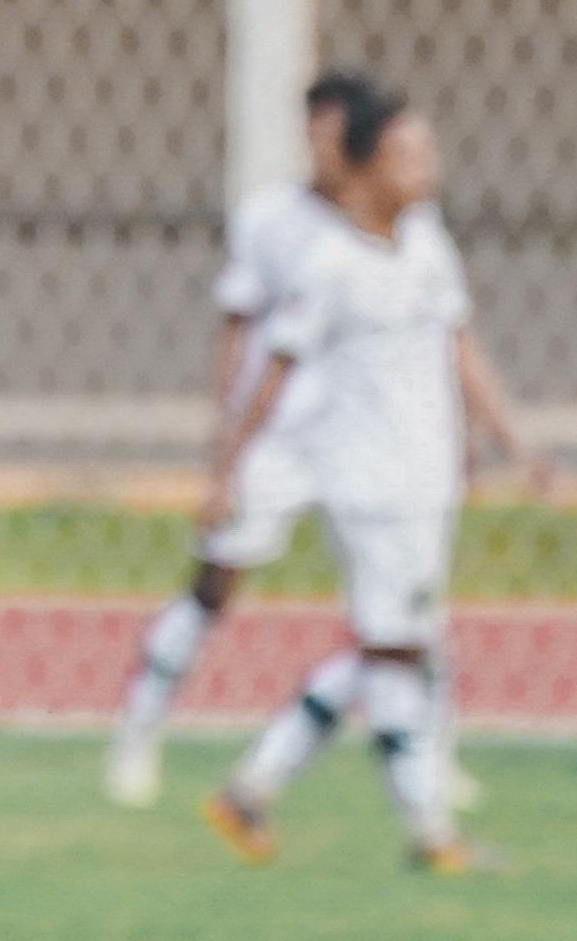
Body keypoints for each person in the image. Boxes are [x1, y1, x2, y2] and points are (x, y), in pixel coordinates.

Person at [192, 87, 549, 870]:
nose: (427, 169)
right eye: (408, 155)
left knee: (391, 646)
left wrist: (503, 437)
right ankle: (428, 832)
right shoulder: (327, 266)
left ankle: (254, 792)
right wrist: (228, 468)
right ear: (361, 168)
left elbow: (457, 346)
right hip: (368, 484)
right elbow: (273, 374)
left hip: (426, 480)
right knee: (395, 648)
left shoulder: (426, 246)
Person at [101, 71, 383, 808]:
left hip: (361, 442)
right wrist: (226, 445)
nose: (321, 149)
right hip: (278, 438)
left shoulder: (395, 226)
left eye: (335, 133)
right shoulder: (269, 220)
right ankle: (139, 729)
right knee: (215, 583)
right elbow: (237, 326)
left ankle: (424, 759)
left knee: (398, 605)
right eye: (312, 133)